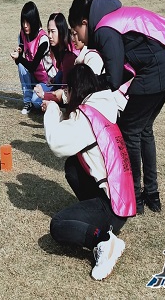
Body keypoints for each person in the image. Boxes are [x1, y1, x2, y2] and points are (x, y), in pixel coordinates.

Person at [68, 0, 165, 214]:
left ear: (85, 23)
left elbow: (114, 79)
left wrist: (87, 85)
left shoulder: (105, 28)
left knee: (129, 129)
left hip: (160, 65)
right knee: (144, 129)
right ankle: (152, 195)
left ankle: (135, 196)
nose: (79, 39)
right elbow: (122, 71)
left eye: (77, 32)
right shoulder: (112, 17)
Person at [42, 65, 136, 281]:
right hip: (121, 199)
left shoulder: (87, 118)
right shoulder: (104, 104)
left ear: (76, 89)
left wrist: (54, 108)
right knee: (73, 167)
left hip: (112, 207)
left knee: (58, 225)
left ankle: (104, 241)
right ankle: (96, 218)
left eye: (68, 89)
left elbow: (57, 143)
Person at [10, 1, 56, 114]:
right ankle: (27, 101)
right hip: (34, 78)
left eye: (28, 22)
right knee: (21, 65)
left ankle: (54, 100)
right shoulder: (22, 34)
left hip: (48, 80)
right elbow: (20, 62)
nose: (25, 25)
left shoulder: (43, 39)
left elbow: (33, 66)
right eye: (23, 22)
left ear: (34, 21)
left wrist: (19, 58)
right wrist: (19, 53)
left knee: (37, 102)